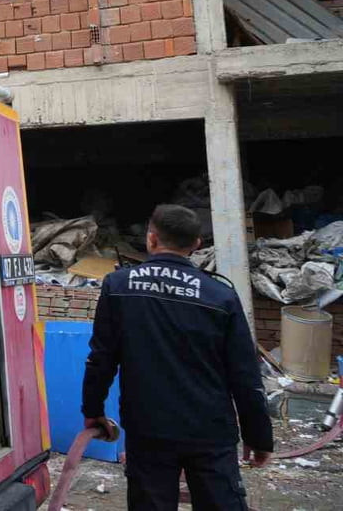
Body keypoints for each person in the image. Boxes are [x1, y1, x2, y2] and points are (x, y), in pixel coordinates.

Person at [82, 203, 274, 510]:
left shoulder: (118, 286)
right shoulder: (220, 294)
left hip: (148, 427)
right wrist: (259, 437)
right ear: (197, 245)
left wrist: (92, 410)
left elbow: (101, 358)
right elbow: (245, 374)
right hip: (210, 429)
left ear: (152, 238)